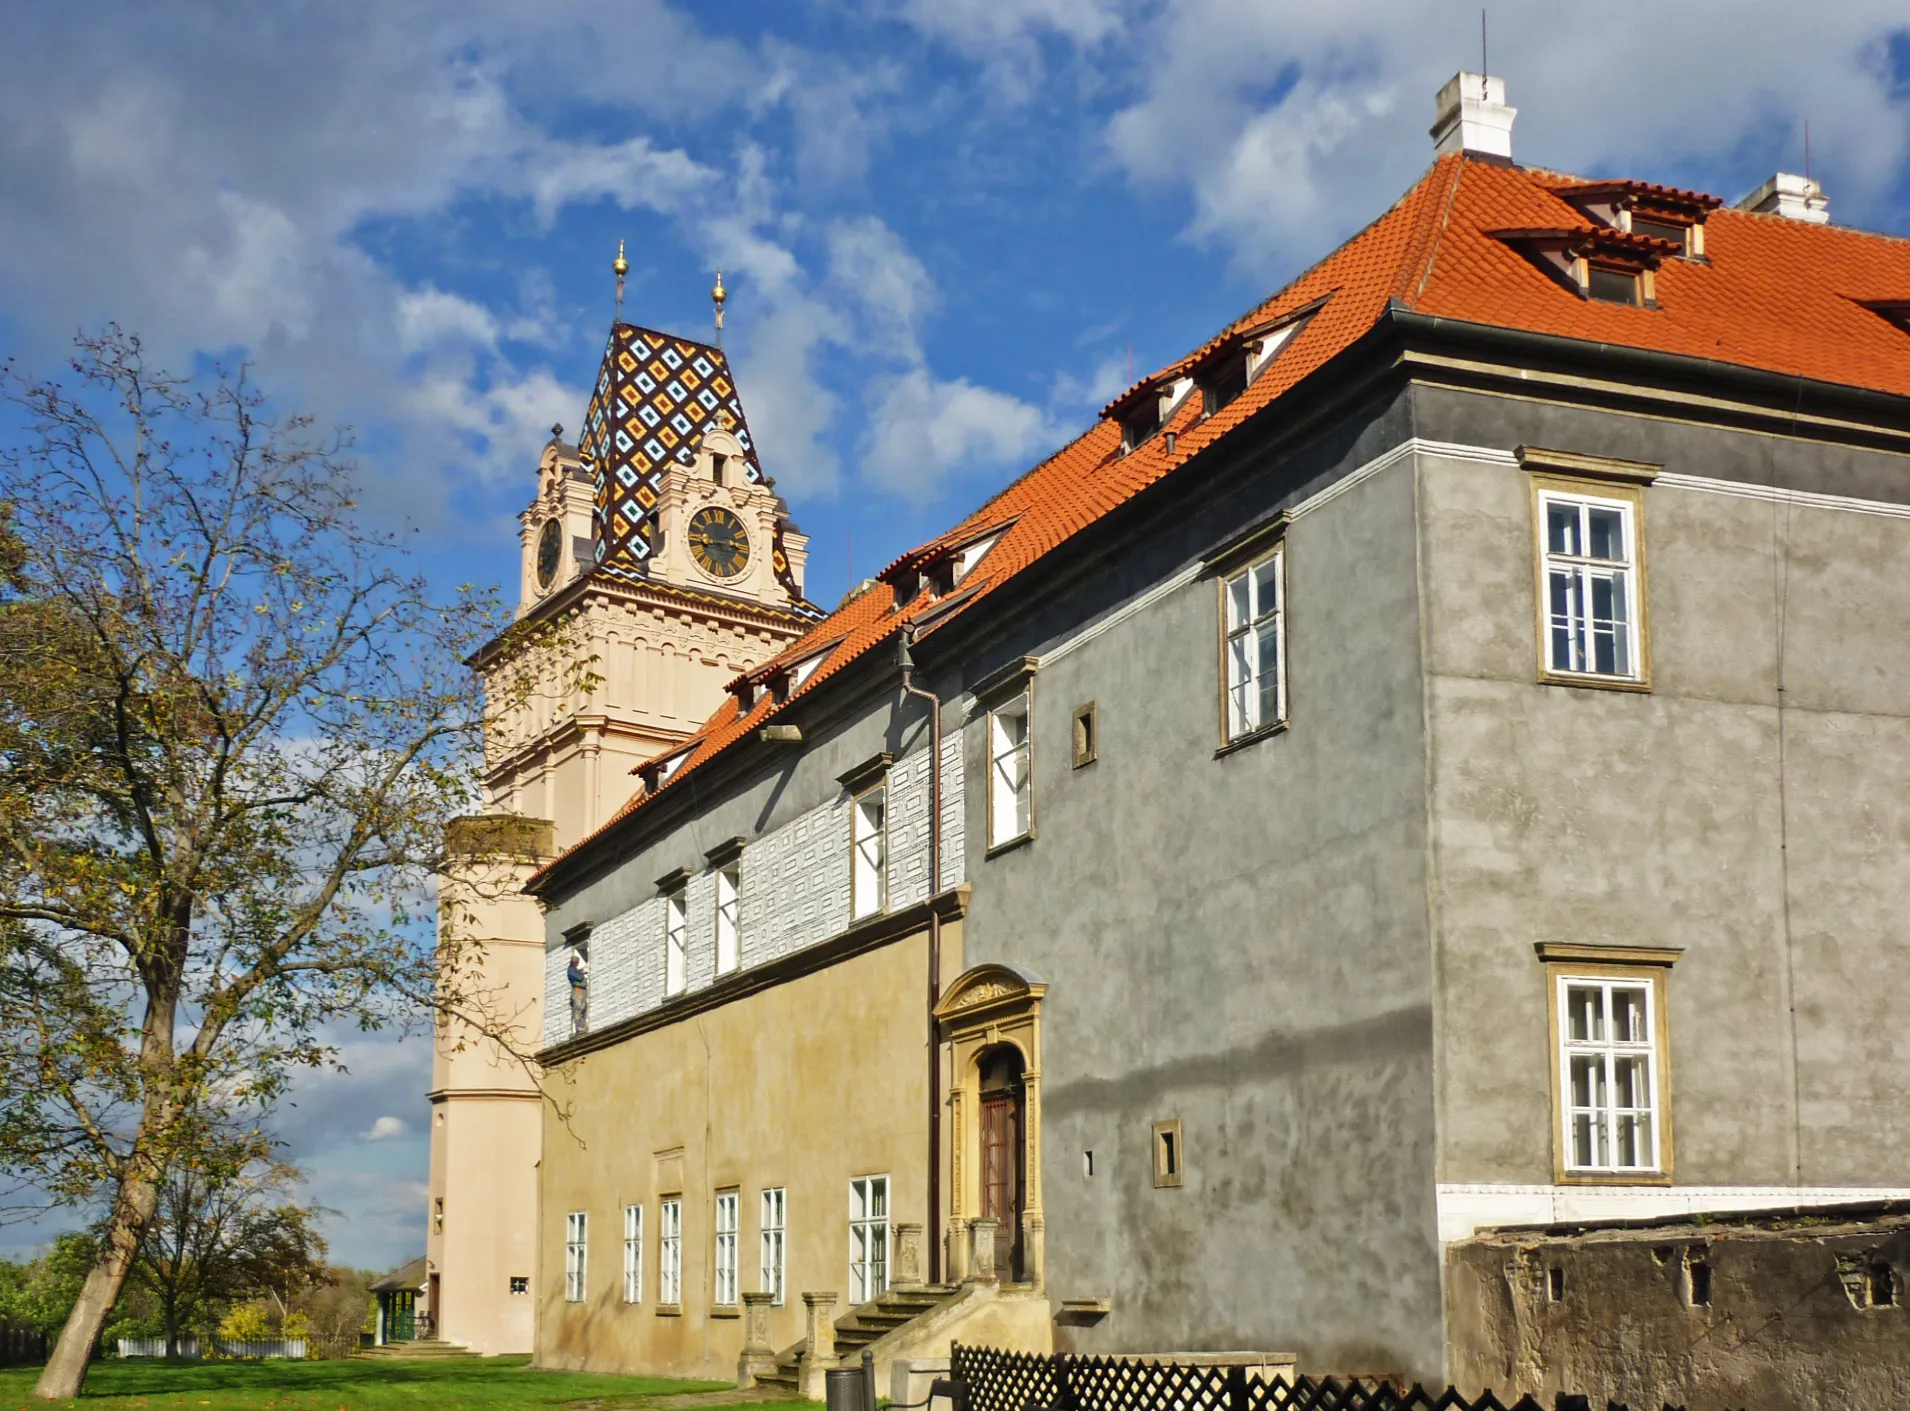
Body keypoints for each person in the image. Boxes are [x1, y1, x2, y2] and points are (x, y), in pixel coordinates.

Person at [567, 949, 589, 1032]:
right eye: (577, 962)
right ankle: (578, 1027)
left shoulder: (575, 970)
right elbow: (579, 977)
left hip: (581, 990)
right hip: (577, 990)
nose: (579, 963)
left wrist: (582, 972)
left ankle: (583, 1025)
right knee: (579, 1007)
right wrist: (583, 973)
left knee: (583, 1007)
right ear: (574, 962)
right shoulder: (571, 970)